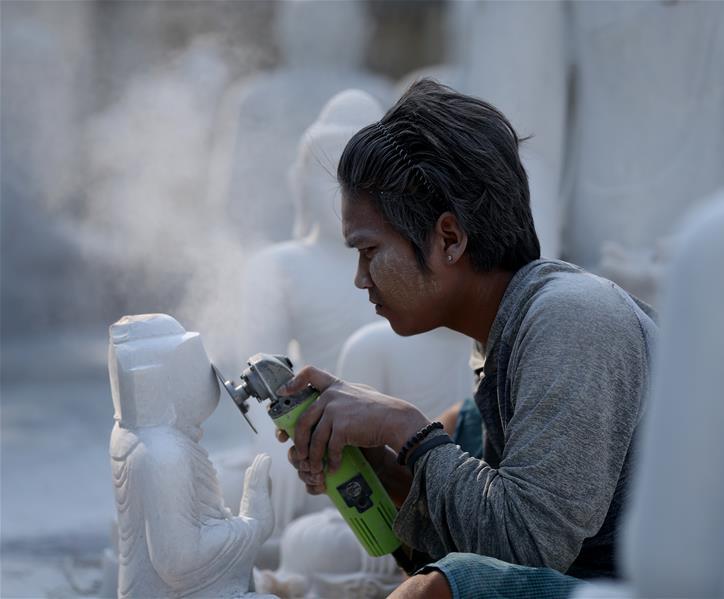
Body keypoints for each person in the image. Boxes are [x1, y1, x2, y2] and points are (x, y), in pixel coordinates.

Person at [274, 79, 657, 599]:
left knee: (430, 594)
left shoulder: (572, 319)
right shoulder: (507, 335)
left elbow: (520, 550)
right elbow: (473, 538)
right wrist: (375, 465)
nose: (361, 280)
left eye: (368, 251)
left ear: (449, 239)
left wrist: (403, 424)